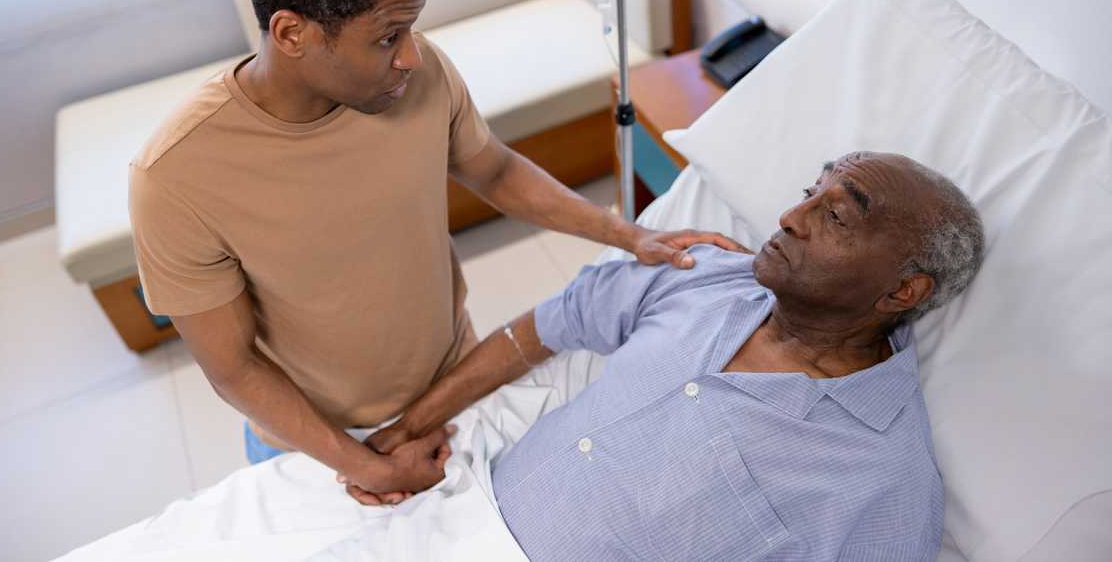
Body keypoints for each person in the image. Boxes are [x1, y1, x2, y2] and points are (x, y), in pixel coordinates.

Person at [127, 0, 738, 506]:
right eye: (386, 37)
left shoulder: (417, 78)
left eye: (411, 30)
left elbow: (495, 171)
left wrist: (632, 235)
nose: (412, 57)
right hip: (314, 443)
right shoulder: (175, 177)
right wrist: (367, 467)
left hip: (456, 382)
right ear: (291, 34)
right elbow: (233, 368)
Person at [361, 151, 985, 559]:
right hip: (449, 515)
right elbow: (549, 324)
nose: (792, 217)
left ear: (903, 291)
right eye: (808, 193)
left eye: (837, 216)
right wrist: (408, 430)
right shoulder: (703, 274)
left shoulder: (883, 484)